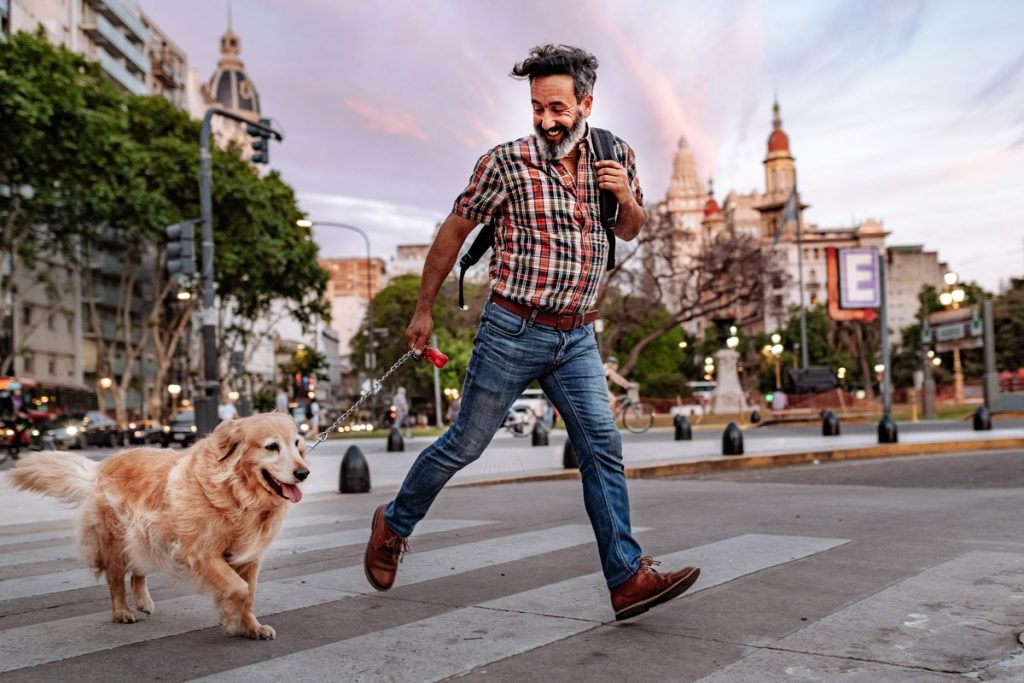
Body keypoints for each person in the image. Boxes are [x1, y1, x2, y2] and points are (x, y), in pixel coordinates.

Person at [364, 44, 700, 622]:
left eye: (558, 108)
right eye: (536, 107)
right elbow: (451, 234)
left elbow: (631, 227)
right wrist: (423, 310)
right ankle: (394, 523)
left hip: (577, 338)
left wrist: (624, 196)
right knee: (464, 446)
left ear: (586, 103)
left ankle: (626, 578)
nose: (546, 120)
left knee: (604, 449)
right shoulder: (505, 162)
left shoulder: (616, 153)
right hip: (511, 329)